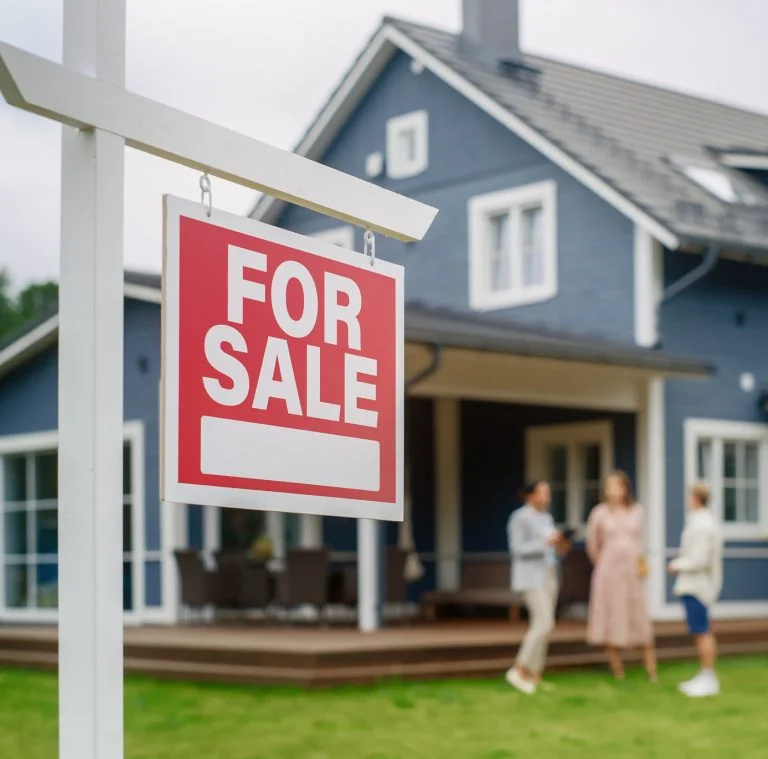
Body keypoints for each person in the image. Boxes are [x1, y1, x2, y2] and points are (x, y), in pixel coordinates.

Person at [586, 470, 656, 681]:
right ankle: (618, 670)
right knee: (612, 615)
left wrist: (639, 562)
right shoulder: (599, 513)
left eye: (617, 486)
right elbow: (593, 545)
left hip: (632, 572)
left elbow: (640, 540)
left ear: (625, 488)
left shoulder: (637, 511)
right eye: (609, 486)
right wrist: (604, 564)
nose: (612, 491)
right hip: (609, 572)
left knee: (638, 615)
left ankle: (651, 671)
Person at [505, 480, 569, 695]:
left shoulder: (547, 518)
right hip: (530, 578)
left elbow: (551, 547)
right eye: (543, 493)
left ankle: (534, 674)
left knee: (545, 626)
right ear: (530, 496)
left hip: (549, 574)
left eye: (548, 493)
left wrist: (559, 545)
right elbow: (517, 548)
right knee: (543, 622)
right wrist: (546, 543)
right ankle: (518, 669)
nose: (547, 497)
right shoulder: (519, 518)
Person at [668, 483, 723, 698]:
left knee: (702, 631)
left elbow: (700, 559)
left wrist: (677, 565)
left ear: (695, 498)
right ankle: (705, 674)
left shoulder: (702, 525)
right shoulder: (703, 523)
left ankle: (708, 676)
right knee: (701, 631)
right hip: (698, 585)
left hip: (698, 586)